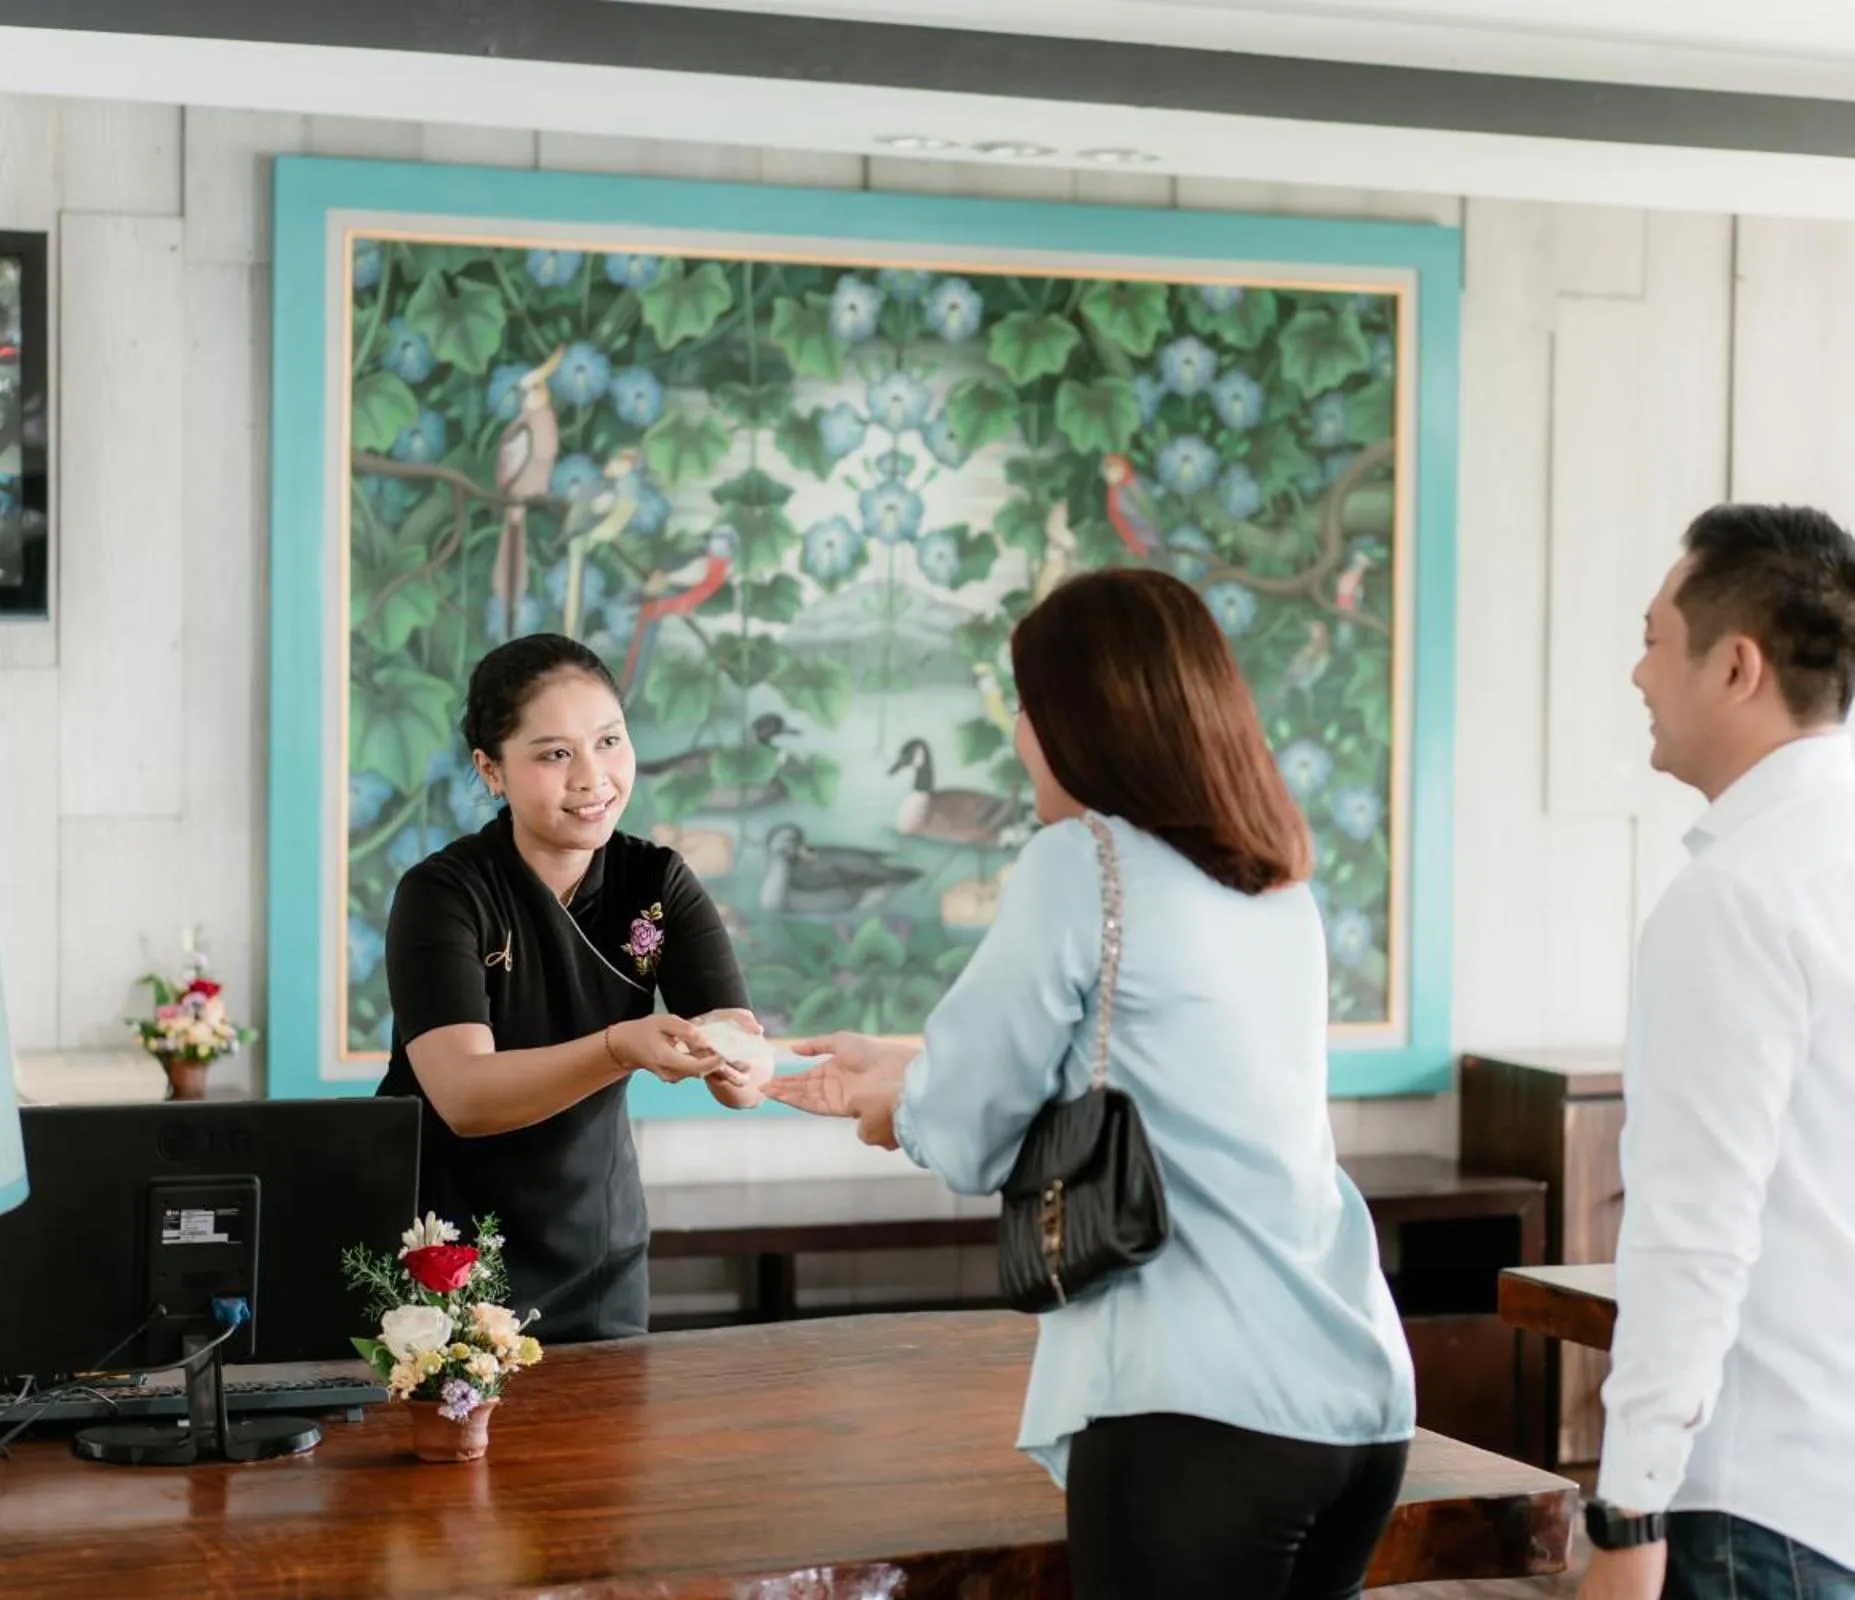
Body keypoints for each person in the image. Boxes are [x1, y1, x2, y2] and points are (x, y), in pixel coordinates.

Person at [768, 568, 1416, 1600]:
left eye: (1025, 703)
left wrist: (896, 1107)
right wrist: (904, 1071)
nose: (1017, 732)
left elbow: (973, 1127)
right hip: (1355, 1399)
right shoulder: (1275, 880)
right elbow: (1158, 1082)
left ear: (1081, 717)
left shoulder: (1081, 860)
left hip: (1200, 1404)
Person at [1578, 506, 1855, 1600]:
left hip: (1757, 1504)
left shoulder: (1735, 900)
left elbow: (1691, 1236)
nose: (1638, 672)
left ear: (1736, 666)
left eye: (1656, 638)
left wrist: (1628, 1512)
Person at [376, 634, 768, 1342]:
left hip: (597, 1254)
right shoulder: (445, 893)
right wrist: (621, 1047)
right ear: (490, 770)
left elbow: (738, 1070)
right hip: (440, 1249)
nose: (594, 777)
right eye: (555, 753)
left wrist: (744, 1061)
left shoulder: (658, 883)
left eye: (610, 741)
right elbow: (463, 1095)